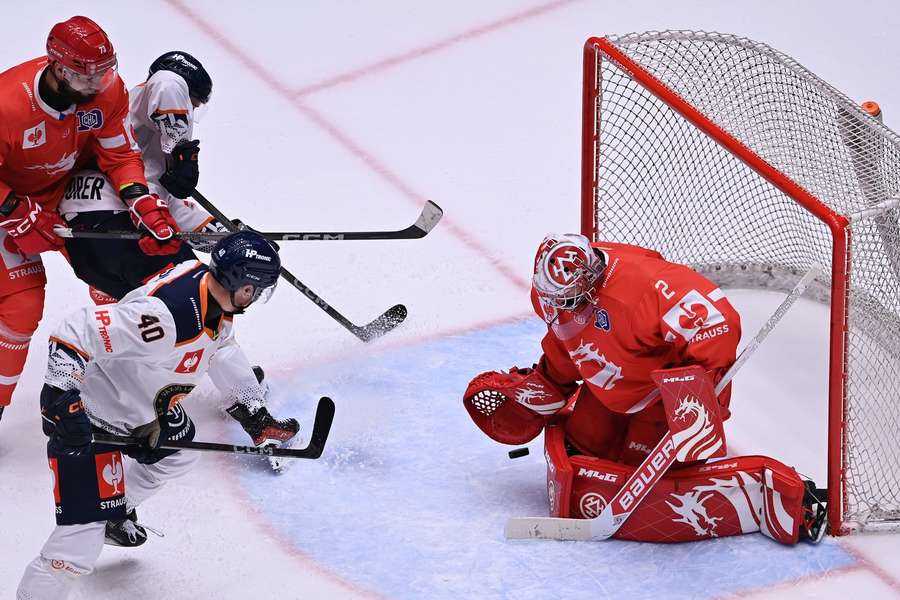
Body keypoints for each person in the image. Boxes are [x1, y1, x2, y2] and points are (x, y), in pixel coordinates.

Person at [464, 233, 826, 544]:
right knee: (581, 448)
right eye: (551, 299)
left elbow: (719, 321)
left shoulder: (644, 287)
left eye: (569, 301)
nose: (557, 308)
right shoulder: (553, 288)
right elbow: (567, 342)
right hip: (608, 387)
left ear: (592, 282)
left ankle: (792, 499)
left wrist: (693, 391)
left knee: (645, 482)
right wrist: (548, 382)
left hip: (660, 402)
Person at [17, 230, 289, 599]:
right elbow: (77, 330)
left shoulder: (210, 294)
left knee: (180, 451)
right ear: (242, 283)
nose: (256, 299)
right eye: (257, 289)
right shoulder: (168, 318)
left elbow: (221, 347)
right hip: (90, 420)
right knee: (77, 546)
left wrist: (253, 412)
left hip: (138, 407)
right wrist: (61, 401)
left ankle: (117, 511)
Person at [56, 51, 298, 455]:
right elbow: (168, 81)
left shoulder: (132, 133)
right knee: (213, 302)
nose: (192, 110)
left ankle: (113, 407)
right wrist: (182, 144)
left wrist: (226, 237)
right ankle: (252, 413)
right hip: (122, 232)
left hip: (89, 245)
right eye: (195, 104)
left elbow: (168, 204)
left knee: (154, 319)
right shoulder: (161, 88)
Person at [0, 16, 183, 424]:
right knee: (21, 307)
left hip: (66, 190)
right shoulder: (6, 104)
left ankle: (141, 384)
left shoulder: (105, 92)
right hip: (10, 201)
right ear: (60, 69)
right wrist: (13, 210)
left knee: (124, 279)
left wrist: (141, 201)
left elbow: (119, 154)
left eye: (106, 71)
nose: (102, 83)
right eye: (90, 76)